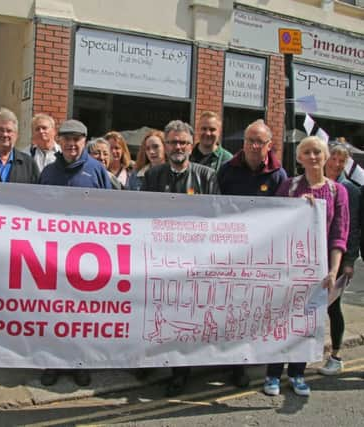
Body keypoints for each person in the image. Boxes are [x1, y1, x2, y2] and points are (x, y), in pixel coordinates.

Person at [263, 136, 349, 397]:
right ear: (299, 158)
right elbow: (273, 221)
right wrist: (299, 208)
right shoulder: (289, 187)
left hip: (318, 270)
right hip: (288, 267)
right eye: (307, 152)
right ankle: (272, 374)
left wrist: (333, 270)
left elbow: (339, 234)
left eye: (317, 152)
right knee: (281, 320)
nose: (313, 157)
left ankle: (298, 374)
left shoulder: (337, 191)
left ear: (325, 156)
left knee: (306, 323)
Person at [142, 120, 219, 396]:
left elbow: (215, 219)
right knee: (159, 315)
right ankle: (153, 362)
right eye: (173, 142)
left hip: (193, 261)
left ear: (191, 145)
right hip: (160, 260)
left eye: (183, 143)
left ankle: (181, 372)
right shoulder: (153, 175)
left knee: (187, 317)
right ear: (166, 145)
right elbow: (143, 217)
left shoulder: (206, 175)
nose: (178, 147)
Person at [38, 119, 111, 387]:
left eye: (77, 139)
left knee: (82, 312)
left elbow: (111, 211)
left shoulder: (98, 171)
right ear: (60, 140)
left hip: (88, 255)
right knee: (53, 309)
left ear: (85, 141)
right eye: (66, 138)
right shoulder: (48, 172)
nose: (71, 144)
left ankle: (80, 362)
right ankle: (52, 363)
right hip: (54, 254)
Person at [217, 119, 288, 388]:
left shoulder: (279, 176)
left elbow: (284, 216)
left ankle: (239, 366)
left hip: (259, 257)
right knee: (227, 310)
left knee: (247, 313)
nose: (254, 146)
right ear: (243, 143)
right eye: (250, 140)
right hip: (229, 254)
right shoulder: (227, 171)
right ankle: (222, 361)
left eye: (260, 142)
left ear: (269, 145)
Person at [318, 143, 360, 375]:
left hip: (339, 259)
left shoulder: (350, 190)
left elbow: (352, 228)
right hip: (315, 257)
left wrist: (349, 261)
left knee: (333, 308)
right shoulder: (317, 184)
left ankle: (336, 356)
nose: (335, 163)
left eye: (341, 160)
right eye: (333, 157)